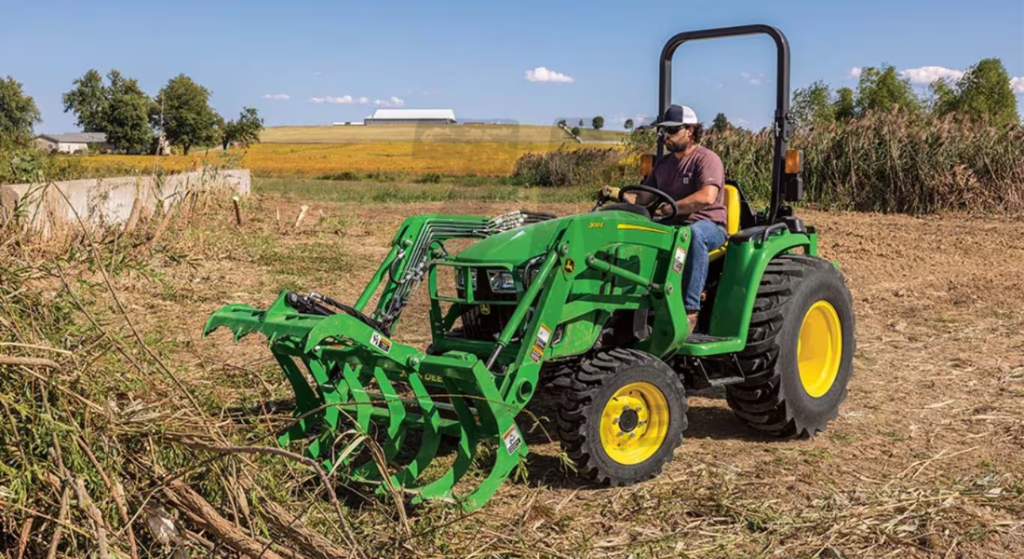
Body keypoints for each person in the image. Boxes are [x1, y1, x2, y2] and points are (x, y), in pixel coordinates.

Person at [632, 104, 728, 325]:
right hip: (672, 225)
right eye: (664, 131)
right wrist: (617, 196)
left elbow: (706, 196)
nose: (666, 136)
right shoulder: (663, 165)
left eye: (672, 131)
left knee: (693, 234)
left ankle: (690, 310)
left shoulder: (706, 159)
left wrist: (671, 207)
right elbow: (643, 198)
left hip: (709, 226)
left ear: (690, 131)